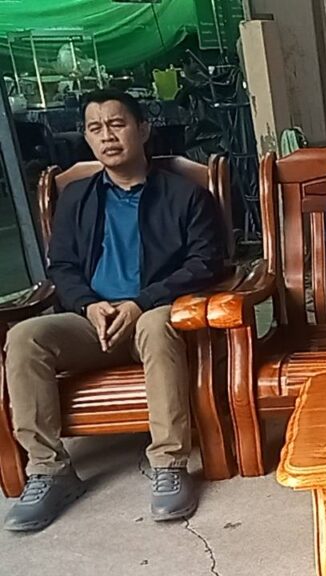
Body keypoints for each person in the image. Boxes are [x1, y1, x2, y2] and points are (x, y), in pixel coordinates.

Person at [3, 89, 228, 531]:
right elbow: (61, 267)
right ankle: (49, 470)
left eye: (117, 124)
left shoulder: (184, 195)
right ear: (87, 138)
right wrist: (89, 305)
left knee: (158, 325)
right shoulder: (76, 199)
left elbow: (206, 263)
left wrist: (141, 302)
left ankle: (169, 463)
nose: (107, 135)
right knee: (24, 337)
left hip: (152, 316)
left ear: (142, 129)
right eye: (95, 128)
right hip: (92, 323)